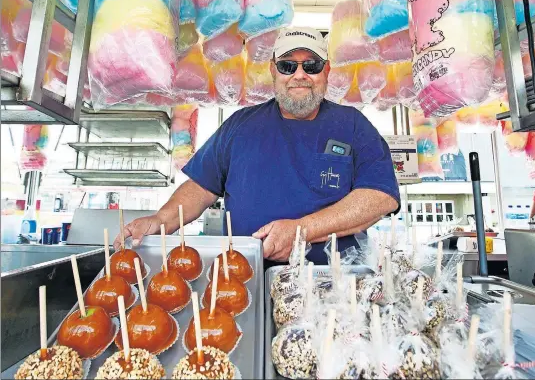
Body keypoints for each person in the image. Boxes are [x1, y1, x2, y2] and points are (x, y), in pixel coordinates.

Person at [114, 27, 400, 266]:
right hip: (246, 277)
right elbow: (201, 186)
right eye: (288, 66)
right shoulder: (240, 124)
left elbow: (380, 197)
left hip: (333, 285)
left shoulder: (353, 125)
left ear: (326, 71)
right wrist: (160, 220)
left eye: (310, 66)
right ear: (273, 71)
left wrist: (302, 231)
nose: (299, 75)